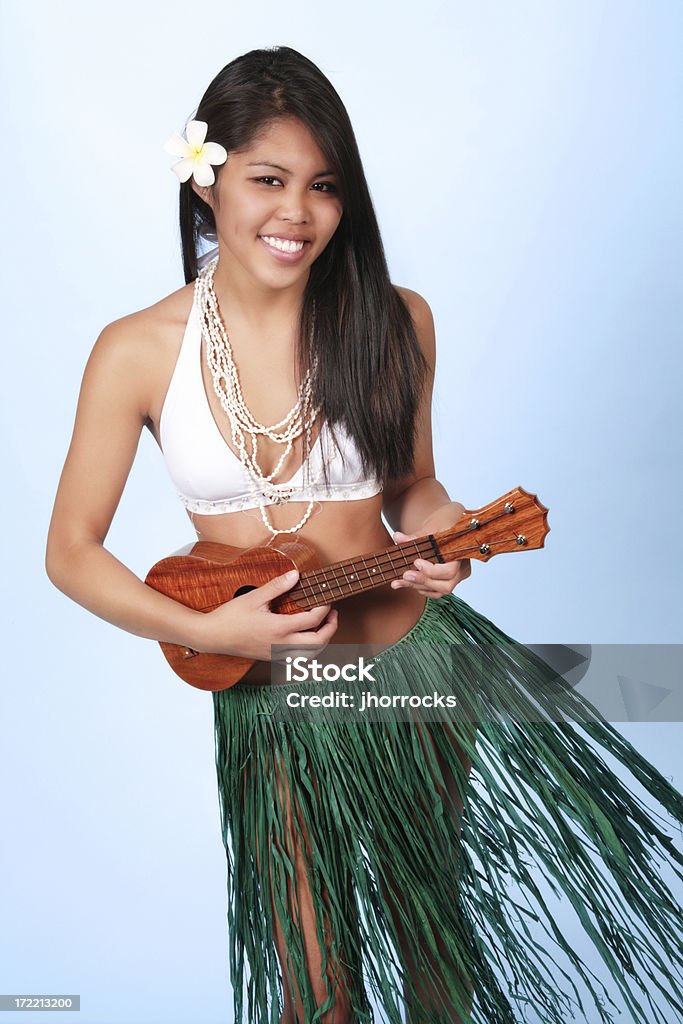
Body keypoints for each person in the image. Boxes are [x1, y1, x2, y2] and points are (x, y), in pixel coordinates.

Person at [45, 46, 683, 1024]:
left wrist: (452, 535)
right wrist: (216, 636)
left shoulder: (393, 322)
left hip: (409, 669)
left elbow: (414, 492)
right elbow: (72, 552)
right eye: (268, 180)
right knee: (311, 978)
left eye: (323, 186)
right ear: (205, 179)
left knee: (430, 944)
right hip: (271, 697)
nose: (295, 213)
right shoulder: (137, 351)